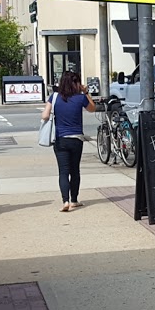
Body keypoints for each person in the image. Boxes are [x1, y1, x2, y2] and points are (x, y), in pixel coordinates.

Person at [41, 71, 94, 212]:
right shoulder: (81, 98)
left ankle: (65, 201)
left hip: (60, 139)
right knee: (74, 170)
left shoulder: (55, 97)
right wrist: (86, 92)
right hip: (76, 139)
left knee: (63, 171)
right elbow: (92, 108)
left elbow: (45, 115)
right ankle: (74, 200)